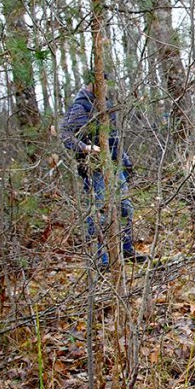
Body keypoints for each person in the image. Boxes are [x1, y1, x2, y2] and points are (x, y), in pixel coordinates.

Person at [59, 74, 145, 266]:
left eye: (106, 82)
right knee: (99, 213)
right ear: (92, 83)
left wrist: (125, 160)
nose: (105, 86)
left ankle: (126, 250)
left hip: (114, 165)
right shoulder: (81, 106)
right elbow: (64, 134)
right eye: (101, 82)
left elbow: (113, 137)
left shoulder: (105, 105)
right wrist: (85, 148)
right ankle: (100, 259)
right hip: (94, 168)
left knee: (125, 208)